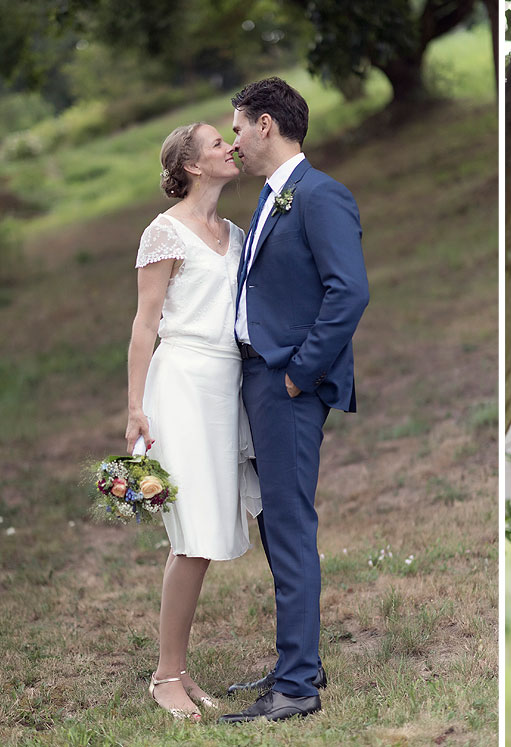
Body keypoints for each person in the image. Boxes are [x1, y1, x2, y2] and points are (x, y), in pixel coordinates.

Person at [220, 77, 369, 724]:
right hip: (261, 379)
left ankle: (298, 686)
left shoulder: (320, 194)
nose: (233, 141)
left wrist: (297, 375)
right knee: (273, 526)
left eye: (236, 128)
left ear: (265, 125)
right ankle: (294, 660)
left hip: (286, 385)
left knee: (288, 526)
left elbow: (349, 292)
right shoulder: (272, 198)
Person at [126, 122, 261, 721]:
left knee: (205, 537)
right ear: (191, 166)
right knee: (191, 535)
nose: (229, 147)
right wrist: (134, 407)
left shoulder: (233, 232)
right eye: (216, 143)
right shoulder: (164, 233)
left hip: (224, 387)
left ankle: (178, 668)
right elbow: (144, 325)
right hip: (179, 385)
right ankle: (165, 677)